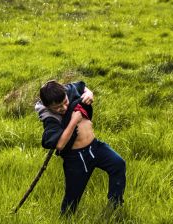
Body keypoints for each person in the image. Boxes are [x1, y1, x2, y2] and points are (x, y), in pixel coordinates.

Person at [35, 80, 126, 216]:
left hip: (95, 146)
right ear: (48, 107)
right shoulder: (50, 119)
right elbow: (59, 144)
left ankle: (114, 206)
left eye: (65, 102)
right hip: (76, 158)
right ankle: (66, 221)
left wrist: (89, 93)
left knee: (118, 164)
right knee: (72, 198)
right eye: (58, 107)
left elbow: (82, 87)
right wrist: (74, 120)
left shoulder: (68, 90)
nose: (64, 108)